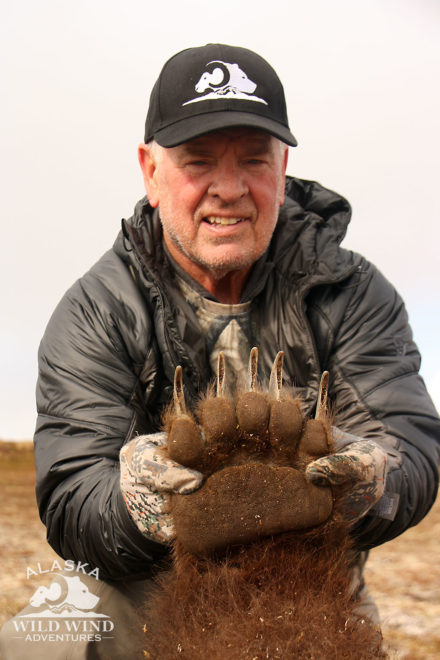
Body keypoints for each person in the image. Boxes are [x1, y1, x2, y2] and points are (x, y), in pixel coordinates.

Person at [1, 43, 439, 659]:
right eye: (198, 161)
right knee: (33, 647)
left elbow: (408, 445)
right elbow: (73, 494)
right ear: (150, 172)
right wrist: (141, 507)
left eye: (254, 161)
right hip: (141, 584)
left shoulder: (354, 293)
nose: (228, 189)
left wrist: (368, 481)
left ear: (282, 169)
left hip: (307, 579)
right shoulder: (96, 310)